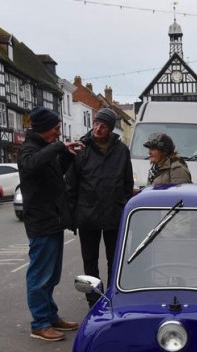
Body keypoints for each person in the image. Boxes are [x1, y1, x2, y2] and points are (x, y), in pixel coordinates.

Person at [18, 106, 84, 341]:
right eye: (56, 129)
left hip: (53, 220)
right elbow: (31, 165)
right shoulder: (29, 148)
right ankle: (39, 323)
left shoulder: (44, 148)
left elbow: (55, 173)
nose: (58, 133)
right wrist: (58, 147)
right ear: (44, 128)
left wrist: (66, 155)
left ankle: (50, 316)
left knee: (51, 275)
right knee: (40, 275)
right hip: (41, 222)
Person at [66, 107, 134, 308]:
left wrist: (121, 203)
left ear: (111, 128)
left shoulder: (122, 151)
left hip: (114, 214)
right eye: (96, 124)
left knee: (115, 260)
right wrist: (72, 217)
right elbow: (71, 184)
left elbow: (127, 182)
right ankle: (94, 301)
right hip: (88, 215)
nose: (98, 128)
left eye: (103, 125)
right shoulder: (82, 149)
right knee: (90, 262)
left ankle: (113, 296)